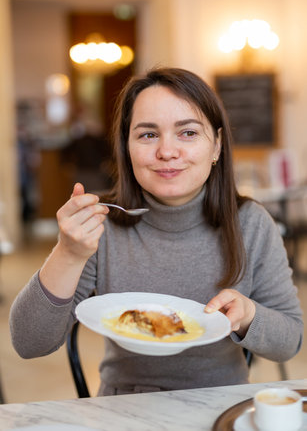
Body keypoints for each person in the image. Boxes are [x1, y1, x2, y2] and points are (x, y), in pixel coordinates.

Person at [9, 67, 303, 396]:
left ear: (217, 146)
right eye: (148, 135)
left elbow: (290, 341)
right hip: (125, 408)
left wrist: (249, 315)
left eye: (188, 133)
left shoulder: (251, 223)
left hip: (220, 405)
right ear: (127, 148)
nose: (167, 151)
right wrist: (68, 253)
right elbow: (28, 342)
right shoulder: (101, 224)